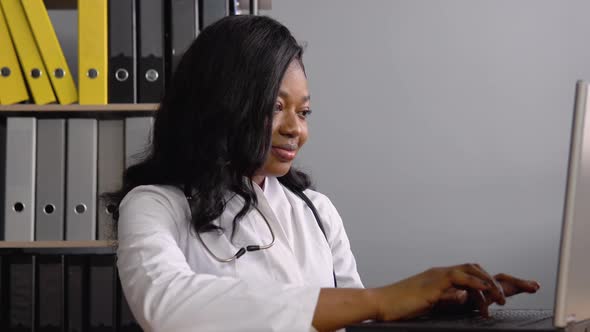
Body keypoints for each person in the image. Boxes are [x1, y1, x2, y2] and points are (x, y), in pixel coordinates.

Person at [108, 15, 540, 332]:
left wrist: (438, 305)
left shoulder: (315, 211)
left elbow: (354, 311)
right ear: (223, 102)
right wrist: (382, 299)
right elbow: (167, 307)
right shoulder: (154, 204)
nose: (296, 128)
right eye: (276, 107)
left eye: (305, 111)